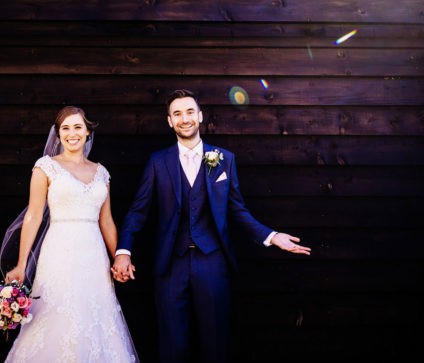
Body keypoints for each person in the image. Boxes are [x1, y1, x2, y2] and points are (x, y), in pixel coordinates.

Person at [112, 89, 310, 363]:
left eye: (189, 111)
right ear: (170, 121)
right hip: (170, 264)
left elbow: (237, 210)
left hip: (213, 262)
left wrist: (272, 236)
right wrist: (124, 250)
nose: (184, 119)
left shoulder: (224, 158)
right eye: (177, 113)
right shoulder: (158, 162)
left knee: (214, 343)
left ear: (200, 116)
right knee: (172, 345)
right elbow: (138, 211)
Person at [2, 106, 138, 362]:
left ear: (87, 132)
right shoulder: (46, 167)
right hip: (59, 252)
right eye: (65, 128)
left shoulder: (102, 173)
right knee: (55, 316)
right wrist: (21, 265)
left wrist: (120, 259)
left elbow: (106, 221)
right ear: (58, 134)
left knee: (95, 317)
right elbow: (33, 215)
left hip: (94, 256)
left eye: (77, 127)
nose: (71, 133)